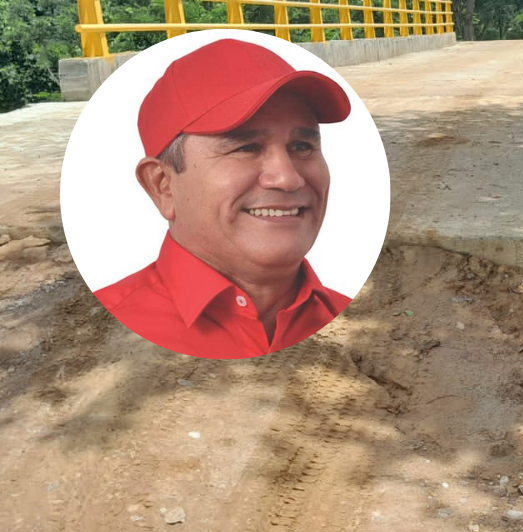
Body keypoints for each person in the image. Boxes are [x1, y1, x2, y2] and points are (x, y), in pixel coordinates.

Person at [96, 38, 354, 359]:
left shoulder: (353, 320)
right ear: (163, 185)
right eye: (245, 148)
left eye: (302, 146)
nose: (288, 178)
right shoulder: (96, 337)